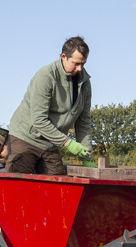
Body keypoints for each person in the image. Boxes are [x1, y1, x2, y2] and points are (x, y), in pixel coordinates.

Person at [6, 36, 94, 175]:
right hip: (26, 138)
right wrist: (68, 143)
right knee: (20, 184)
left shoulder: (85, 83)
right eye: (76, 63)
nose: (80, 68)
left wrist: (86, 157)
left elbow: (83, 122)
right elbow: (39, 121)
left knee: (58, 185)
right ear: (64, 57)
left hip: (51, 144)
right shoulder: (46, 76)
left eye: (83, 64)